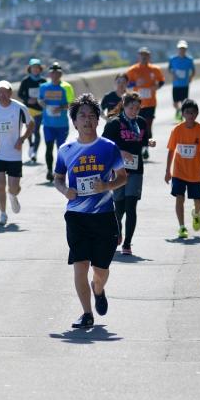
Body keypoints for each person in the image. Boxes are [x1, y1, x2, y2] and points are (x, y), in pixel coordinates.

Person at [53, 93, 127, 328]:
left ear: (98, 120)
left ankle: (99, 288)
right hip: (76, 216)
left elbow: (123, 178)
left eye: (91, 116)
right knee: (80, 264)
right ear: (74, 122)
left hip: (104, 216)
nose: (87, 120)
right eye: (82, 116)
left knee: (101, 269)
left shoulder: (109, 148)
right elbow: (57, 179)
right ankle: (86, 314)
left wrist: (107, 185)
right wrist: (65, 191)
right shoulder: (66, 150)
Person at [102, 92, 156, 255]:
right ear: (124, 105)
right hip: (118, 170)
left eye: (137, 108)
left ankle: (127, 243)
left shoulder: (141, 122)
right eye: (131, 107)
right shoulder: (114, 124)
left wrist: (149, 142)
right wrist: (120, 151)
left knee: (131, 206)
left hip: (136, 169)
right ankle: (118, 230)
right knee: (119, 208)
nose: (134, 111)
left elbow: (144, 139)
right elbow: (105, 145)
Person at [0, 80, 34, 226]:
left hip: (14, 154)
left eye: (5, 91)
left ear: (10, 93)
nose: (2, 94)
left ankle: (13, 196)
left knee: (13, 187)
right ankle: (2, 214)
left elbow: (31, 124)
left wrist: (22, 138)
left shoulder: (19, 108)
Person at [164, 99, 200, 239]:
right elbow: (171, 150)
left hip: (196, 173)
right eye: (187, 112)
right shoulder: (177, 130)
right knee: (179, 198)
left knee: (199, 201)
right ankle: (182, 227)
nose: (190, 115)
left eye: (192, 113)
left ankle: (196, 213)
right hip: (179, 172)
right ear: (182, 114)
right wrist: (168, 171)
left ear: (196, 114)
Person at [125, 47, 165, 159]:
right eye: (142, 54)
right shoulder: (132, 70)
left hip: (150, 103)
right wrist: (135, 83)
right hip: (136, 105)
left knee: (148, 126)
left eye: (146, 55)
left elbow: (161, 81)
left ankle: (145, 149)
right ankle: (136, 147)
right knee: (135, 126)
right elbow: (127, 84)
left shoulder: (155, 69)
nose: (144, 57)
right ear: (138, 56)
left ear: (149, 56)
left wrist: (155, 87)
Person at [38, 63, 71, 181]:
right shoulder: (43, 87)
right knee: (49, 147)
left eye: (57, 73)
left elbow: (70, 104)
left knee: (61, 150)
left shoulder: (66, 87)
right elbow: (40, 100)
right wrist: (43, 104)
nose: (55, 75)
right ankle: (49, 171)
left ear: (61, 74)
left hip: (62, 124)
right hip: (48, 124)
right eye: (53, 73)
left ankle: (60, 172)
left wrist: (61, 108)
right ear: (49, 74)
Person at [18, 58, 47, 162]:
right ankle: (31, 145)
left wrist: (40, 100)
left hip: (39, 109)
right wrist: (28, 99)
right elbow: (20, 94)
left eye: (37, 68)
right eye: (33, 68)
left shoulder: (43, 81)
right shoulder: (25, 81)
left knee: (37, 131)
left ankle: (34, 152)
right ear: (30, 69)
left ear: (40, 69)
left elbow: (46, 94)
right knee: (29, 130)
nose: (35, 70)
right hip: (28, 109)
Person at [168, 40, 196, 121]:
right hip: (176, 84)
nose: (182, 50)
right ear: (178, 49)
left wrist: (191, 77)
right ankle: (178, 110)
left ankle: (180, 115)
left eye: (183, 48)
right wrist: (173, 74)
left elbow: (193, 71)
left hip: (184, 84)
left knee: (183, 102)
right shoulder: (173, 59)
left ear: (186, 49)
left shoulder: (189, 60)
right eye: (180, 48)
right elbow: (169, 69)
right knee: (175, 102)